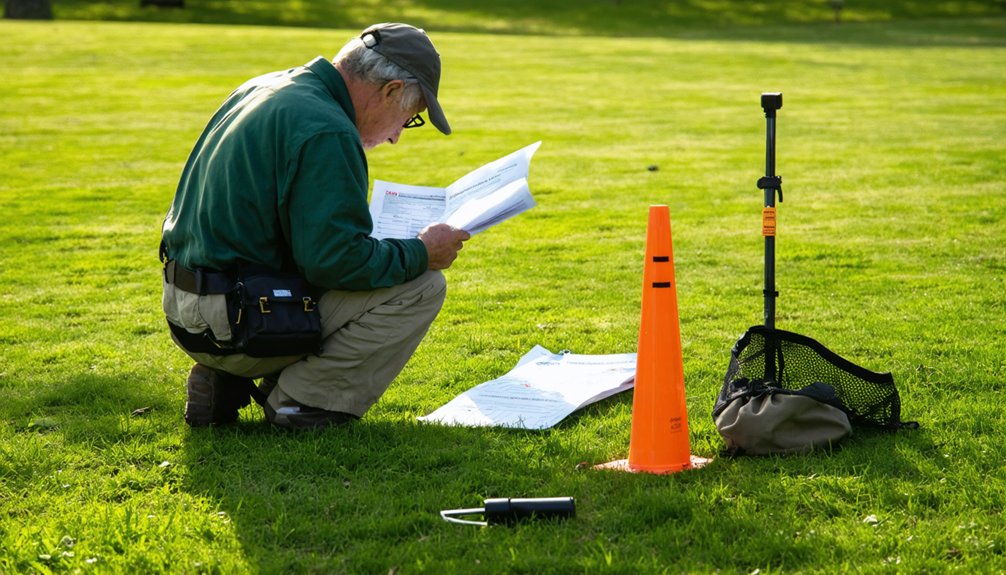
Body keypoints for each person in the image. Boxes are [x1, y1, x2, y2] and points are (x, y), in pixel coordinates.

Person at [160, 23, 470, 429]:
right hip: (231, 319)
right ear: (391, 91)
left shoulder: (268, 86)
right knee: (422, 286)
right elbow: (335, 263)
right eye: (410, 119)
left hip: (187, 307)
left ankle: (228, 377)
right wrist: (422, 251)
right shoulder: (327, 129)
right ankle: (299, 401)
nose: (396, 137)